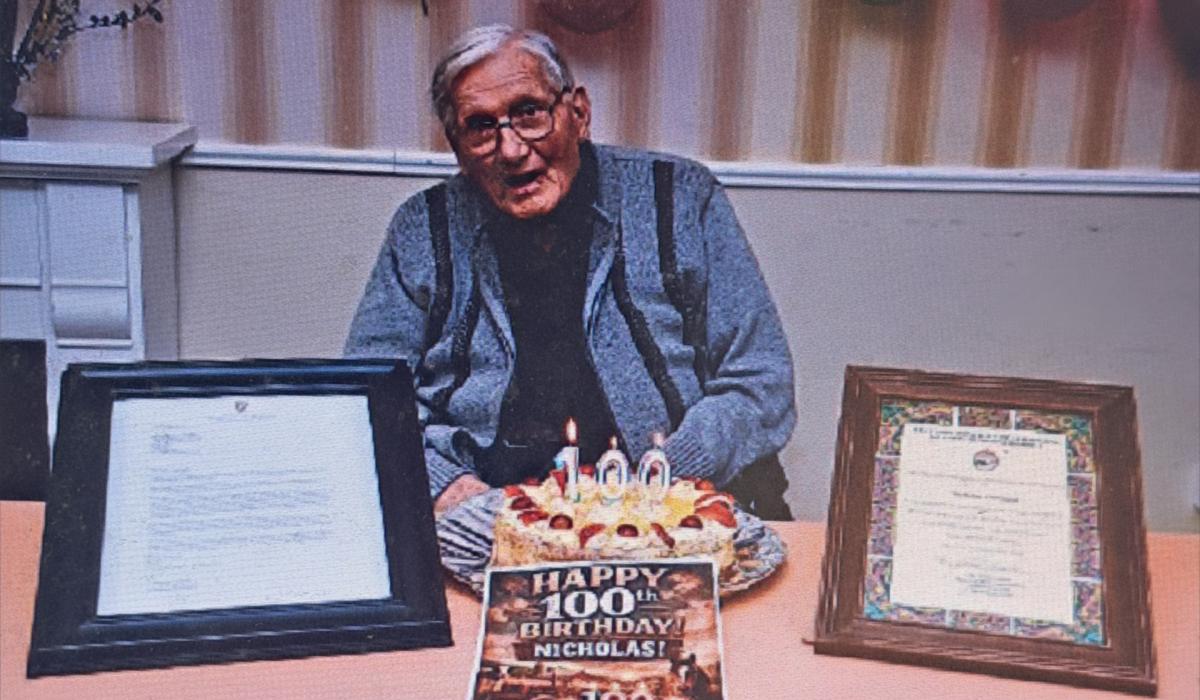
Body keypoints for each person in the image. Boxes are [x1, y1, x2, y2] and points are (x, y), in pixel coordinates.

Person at [346, 25, 795, 519]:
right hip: (484, 513)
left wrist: (662, 480)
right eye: (480, 127)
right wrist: (451, 489)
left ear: (578, 113)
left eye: (529, 113)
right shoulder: (420, 229)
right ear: (456, 146)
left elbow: (760, 382)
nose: (512, 150)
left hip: (674, 501)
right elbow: (372, 396)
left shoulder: (682, 197)